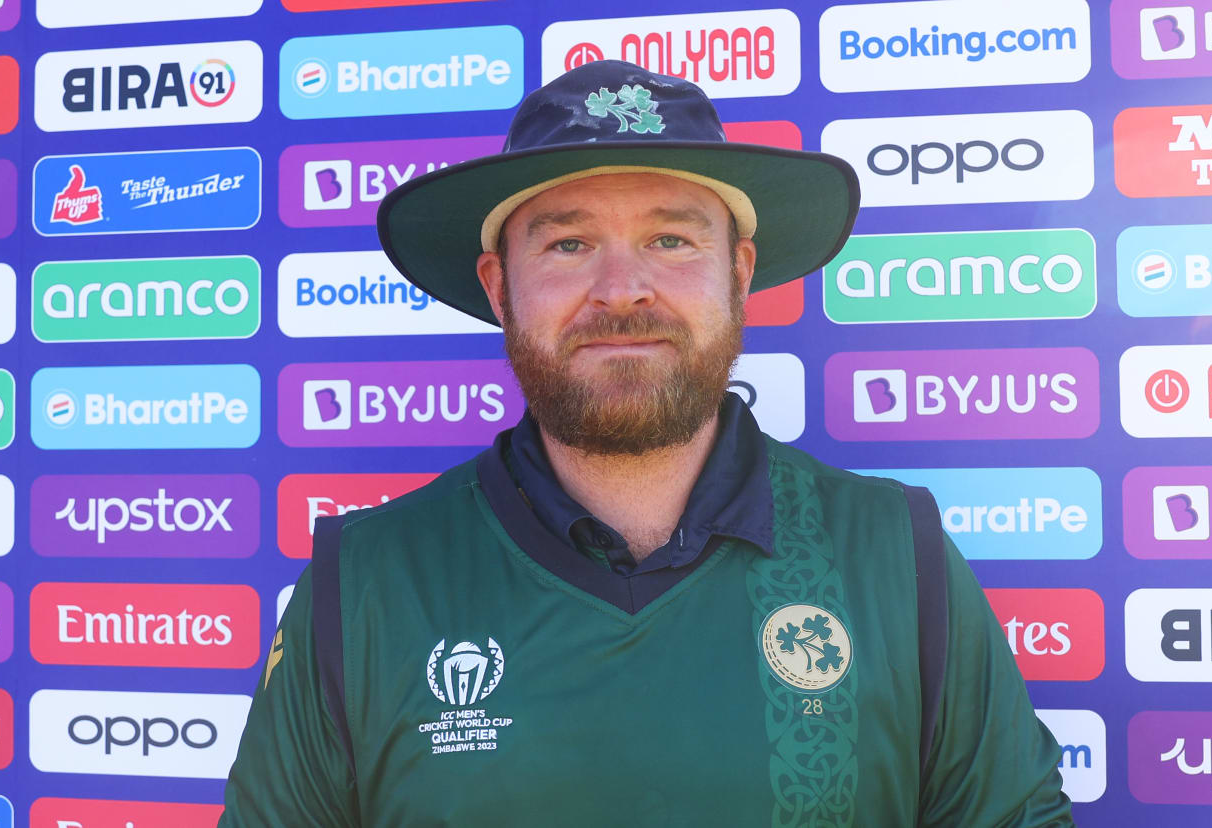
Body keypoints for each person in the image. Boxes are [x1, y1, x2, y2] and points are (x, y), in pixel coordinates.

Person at [219, 60, 1074, 827]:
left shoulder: (894, 551)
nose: (621, 291)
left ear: (736, 273)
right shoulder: (367, 576)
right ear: (499, 287)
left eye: (670, 239)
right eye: (568, 243)